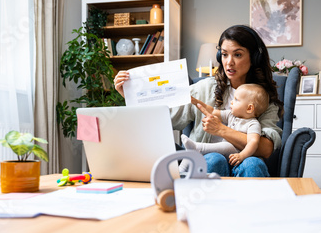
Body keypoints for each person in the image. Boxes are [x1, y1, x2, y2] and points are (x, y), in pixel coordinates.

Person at [113, 25, 283, 177]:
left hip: (246, 162)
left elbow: (266, 148)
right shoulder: (204, 88)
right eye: (224, 54)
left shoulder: (264, 98)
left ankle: (253, 211)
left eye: (237, 55)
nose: (229, 62)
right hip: (209, 162)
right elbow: (164, 118)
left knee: (253, 164)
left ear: (253, 58)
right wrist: (128, 95)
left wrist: (222, 130)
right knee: (214, 159)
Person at [179, 83, 269, 173]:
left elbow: (253, 142)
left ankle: (198, 147)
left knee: (227, 145)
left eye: (236, 100)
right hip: (225, 156)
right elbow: (213, 111)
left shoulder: (253, 124)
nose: (231, 102)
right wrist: (195, 102)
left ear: (249, 108)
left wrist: (242, 155)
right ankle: (182, 168)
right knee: (218, 150)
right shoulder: (231, 115)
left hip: (238, 155)